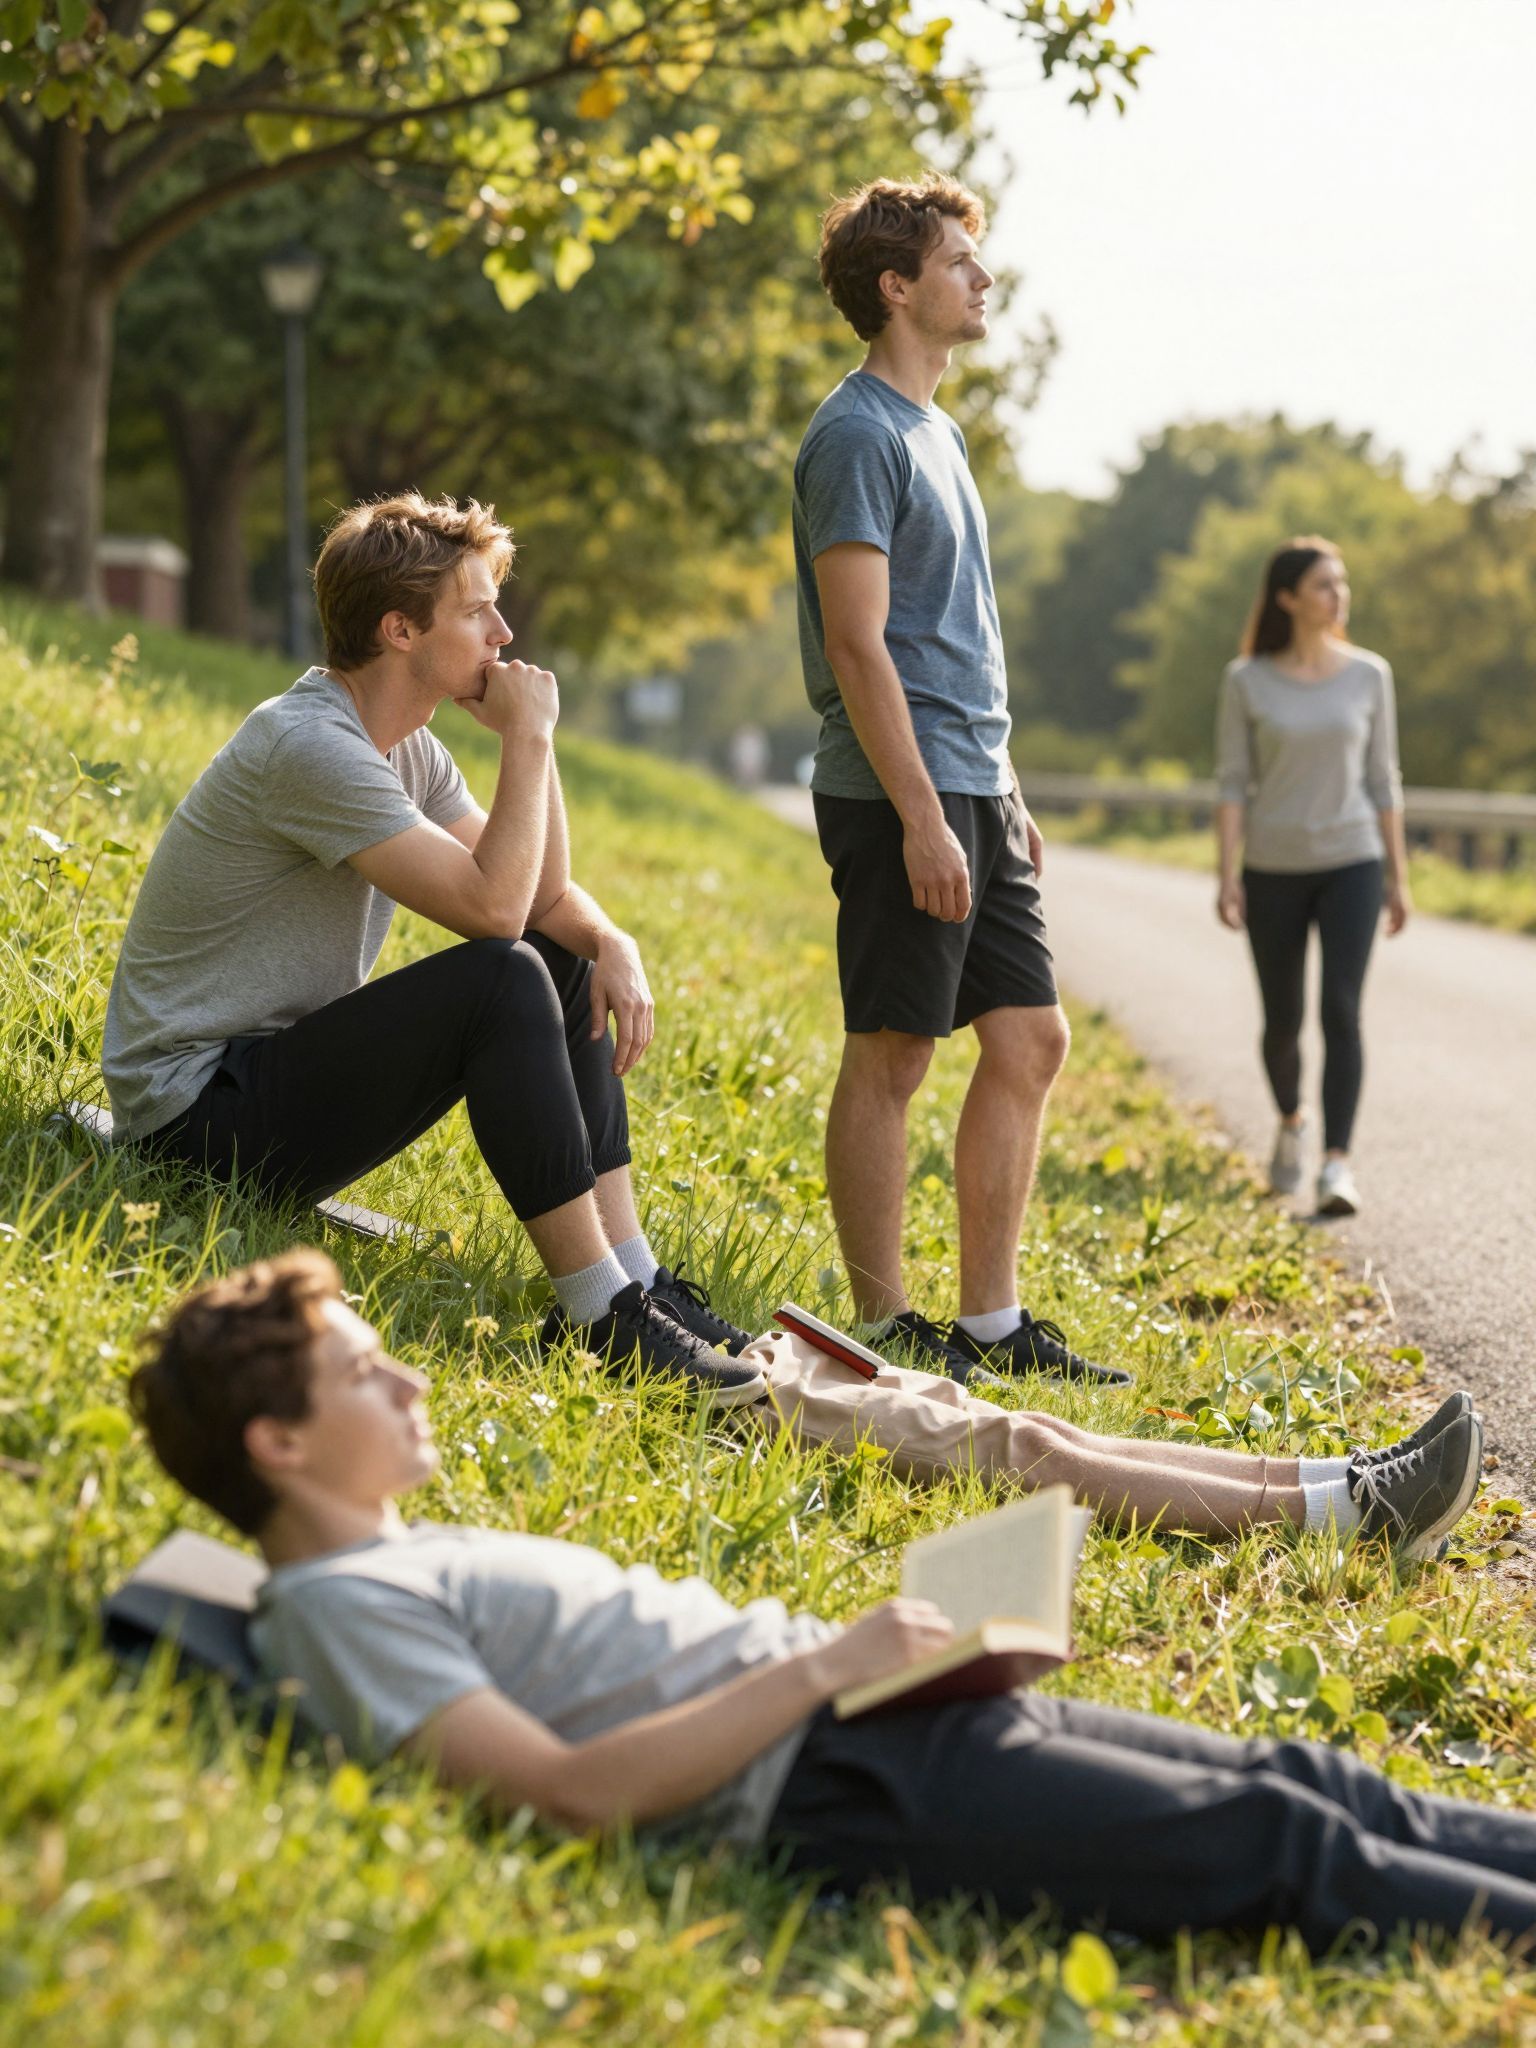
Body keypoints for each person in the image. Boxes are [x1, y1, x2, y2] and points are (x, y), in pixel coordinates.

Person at [127, 1252, 1529, 1955]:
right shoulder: (336, 1606)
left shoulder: (386, 1559)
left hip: (865, 1710)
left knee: (1300, 1772)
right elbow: (562, 1794)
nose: (412, 1382)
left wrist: (866, 1655)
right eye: (368, 1375)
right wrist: (825, 1670)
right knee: (1273, 1840)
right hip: (833, 1773)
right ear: (280, 1446)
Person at [101, 491, 764, 1409]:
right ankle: (599, 1314)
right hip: (190, 1117)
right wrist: (529, 737)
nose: (502, 631)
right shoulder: (308, 744)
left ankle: (634, 1280)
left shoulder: (406, 747)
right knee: (503, 975)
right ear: (400, 631)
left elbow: (535, 895)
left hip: (265, 1081)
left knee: (557, 953)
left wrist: (610, 936)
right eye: (476, 610)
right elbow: (495, 917)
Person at [792, 174, 1111, 1390]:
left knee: (1029, 1038)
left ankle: (989, 1322)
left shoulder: (942, 432)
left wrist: (1003, 789)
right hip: (894, 790)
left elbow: (958, 628)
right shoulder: (856, 434)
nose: (983, 279)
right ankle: (882, 1328)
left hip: (973, 777)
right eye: (961, 262)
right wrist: (925, 815)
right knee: (894, 1053)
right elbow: (858, 642)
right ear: (897, 286)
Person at [1215, 537, 1410, 1218]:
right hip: (1271, 868)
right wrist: (1227, 874)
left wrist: (1398, 876)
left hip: (1353, 860)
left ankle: (1337, 1165)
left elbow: (1383, 780)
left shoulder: (1369, 675)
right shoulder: (1247, 679)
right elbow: (1234, 783)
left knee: (1341, 1010)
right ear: (1289, 597)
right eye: (1325, 585)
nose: (1339, 595)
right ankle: (1293, 1122)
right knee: (1282, 1020)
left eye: (1342, 583)